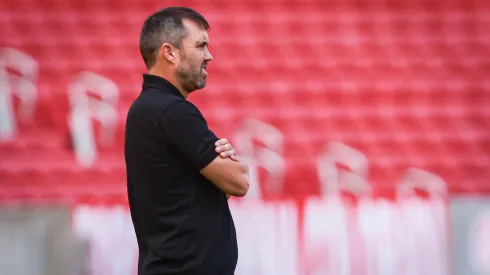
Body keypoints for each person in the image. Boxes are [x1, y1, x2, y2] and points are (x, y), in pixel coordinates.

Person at [124, 6, 250, 275]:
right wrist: (229, 166)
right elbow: (239, 182)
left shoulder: (144, 108)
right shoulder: (173, 111)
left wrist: (218, 179)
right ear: (170, 52)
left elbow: (198, 192)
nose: (209, 56)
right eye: (201, 46)